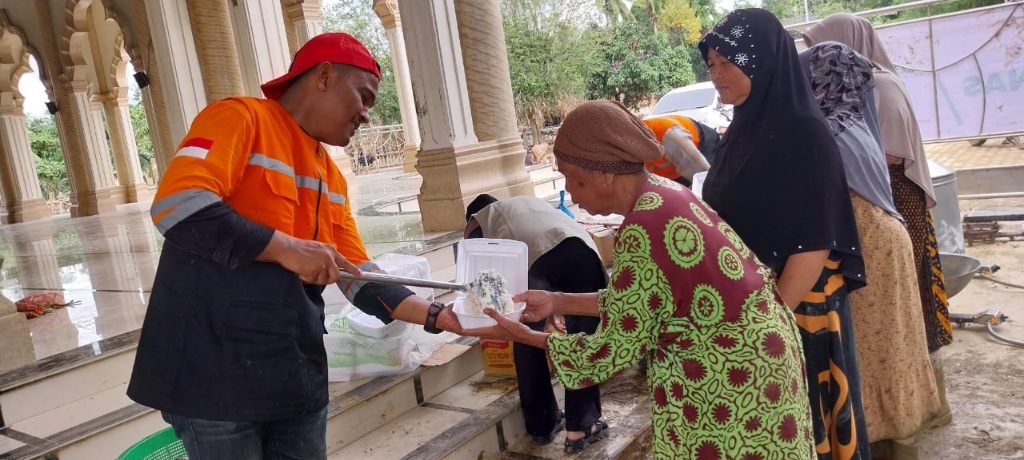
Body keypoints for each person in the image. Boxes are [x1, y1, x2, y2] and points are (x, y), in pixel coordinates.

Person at [126, 33, 461, 460]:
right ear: (324, 76)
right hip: (213, 371)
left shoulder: (331, 178)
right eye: (363, 97)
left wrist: (442, 316)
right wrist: (286, 247)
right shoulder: (240, 118)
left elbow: (357, 275)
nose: (365, 115)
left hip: (291, 369)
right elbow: (178, 205)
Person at [464, 100, 815, 460]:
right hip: (754, 356)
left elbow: (612, 350)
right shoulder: (664, 194)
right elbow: (640, 301)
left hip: (730, 376)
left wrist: (523, 336)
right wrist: (558, 302)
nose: (571, 190)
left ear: (602, 174)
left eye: (572, 177)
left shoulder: (643, 226)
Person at [699, 9, 870, 459]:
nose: (716, 74)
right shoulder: (743, 128)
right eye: (711, 63)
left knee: (806, 427)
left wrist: (765, 326)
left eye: (727, 62)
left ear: (761, 61)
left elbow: (813, 241)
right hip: (759, 304)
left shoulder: (803, 133)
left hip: (796, 309)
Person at [803, 14, 954, 429]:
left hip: (890, 196)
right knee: (905, 312)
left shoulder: (878, 85)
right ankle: (924, 408)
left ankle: (916, 413)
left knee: (901, 315)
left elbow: (885, 155)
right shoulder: (872, 81)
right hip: (889, 201)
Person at [464, 194, 607, 453]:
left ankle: (542, 425)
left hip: (535, 259)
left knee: (526, 335)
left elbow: (476, 278)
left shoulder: (477, 223)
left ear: (473, 216)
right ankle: (581, 428)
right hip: (582, 251)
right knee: (585, 339)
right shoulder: (527, 204)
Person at [641, 115, 718, 186]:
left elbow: (704, 181)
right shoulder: (633, 155)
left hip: (702, 146)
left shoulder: (669, 138)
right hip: (672, 172)